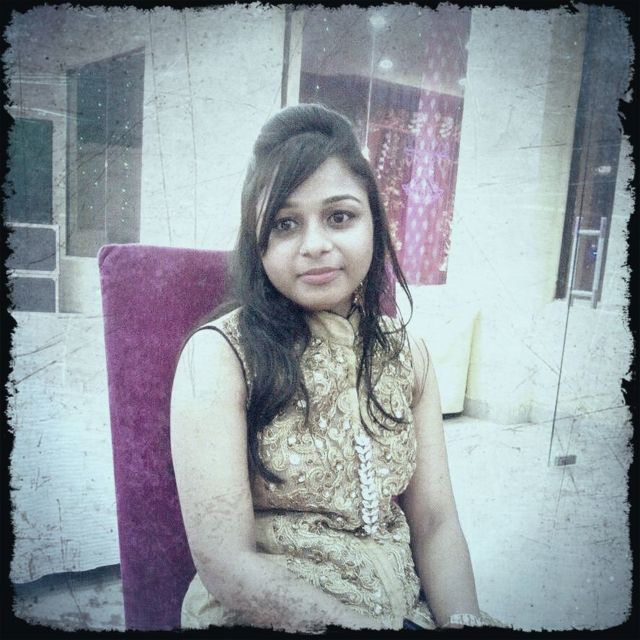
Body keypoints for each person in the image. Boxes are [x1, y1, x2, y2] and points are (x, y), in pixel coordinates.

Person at [170, 104, 495, 632]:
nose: (316, 245)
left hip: (406, 613)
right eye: (285, 224)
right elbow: (226, 565)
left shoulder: (408, 353)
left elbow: (435, 523)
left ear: (374, 223)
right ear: (257, 243)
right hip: (269, 617)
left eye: (339, 217)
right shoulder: (221, 355)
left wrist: (463, 619)